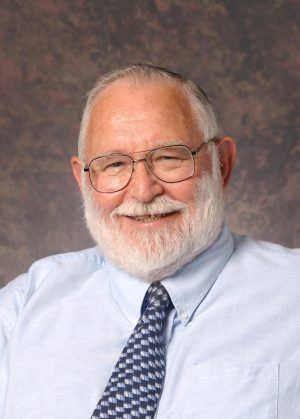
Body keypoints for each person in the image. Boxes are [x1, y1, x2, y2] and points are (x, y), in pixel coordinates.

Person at [0, 64, 299, 419]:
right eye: (113, 165)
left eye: (169, 158)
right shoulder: (19, 312)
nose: (143, 192)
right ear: (83, 182)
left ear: (222, 165)